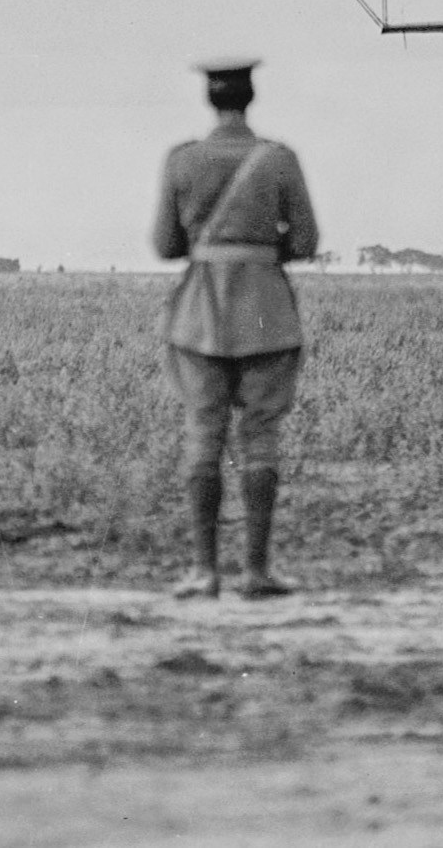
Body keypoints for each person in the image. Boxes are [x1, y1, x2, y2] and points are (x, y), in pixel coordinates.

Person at [150, 55, 319, 598]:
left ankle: (204, 572)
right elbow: (306, 243)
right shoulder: (278, 159)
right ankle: (257, 571)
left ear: (210, 100)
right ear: (250, 99)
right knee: (261, 440)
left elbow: (165, 246)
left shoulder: (182, 160)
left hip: (199, 314)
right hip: (266, 309)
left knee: (203, 436)